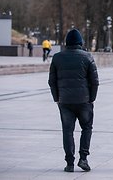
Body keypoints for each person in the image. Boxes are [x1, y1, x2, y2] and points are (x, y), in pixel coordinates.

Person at [48, 29, 99, 173]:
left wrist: (57, 98)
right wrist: (92, 99)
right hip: (84, 101)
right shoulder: (87, 57)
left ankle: (69, 162)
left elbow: (51, 81)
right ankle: (83, 158)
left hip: (65, 101)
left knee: (67, 131)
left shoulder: (57, 58)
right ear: (80, 42)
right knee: (87, 128)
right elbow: (95, 82)